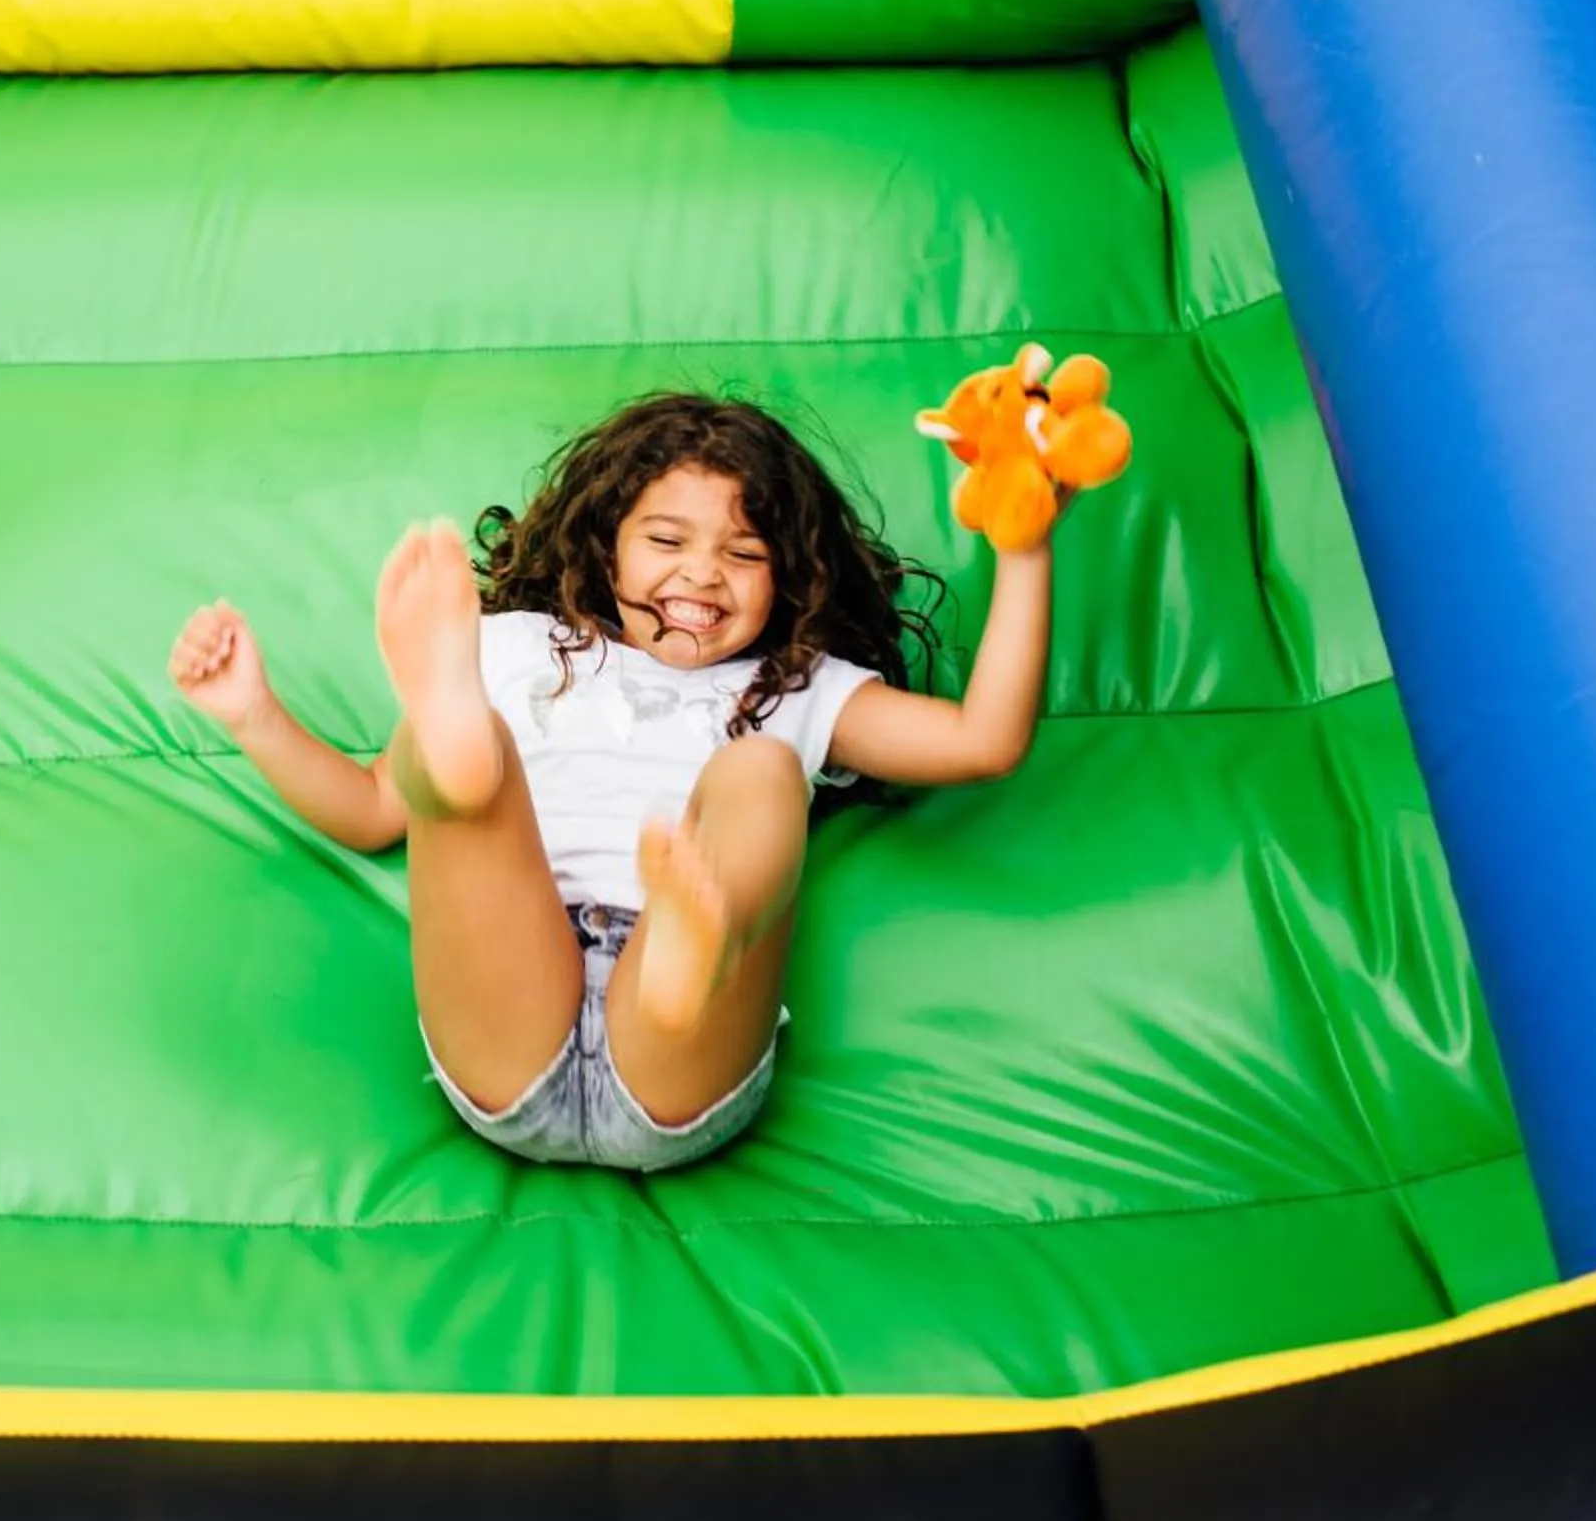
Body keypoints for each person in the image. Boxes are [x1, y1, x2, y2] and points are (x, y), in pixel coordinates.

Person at [169, 391, 1057, 1170]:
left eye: (745, 555)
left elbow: (985, 741)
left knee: (759, 765)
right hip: (514, 994)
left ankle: (691, 945)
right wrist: (254, 713)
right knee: (477, 760)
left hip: (682, 1055)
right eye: (666, 539)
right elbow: (369, 811)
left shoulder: (794, 683)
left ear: (788, 577)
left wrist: (1025, 550)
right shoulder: (516, 647)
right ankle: (466, 758)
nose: (703, 572)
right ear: (605, 549)